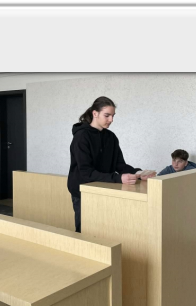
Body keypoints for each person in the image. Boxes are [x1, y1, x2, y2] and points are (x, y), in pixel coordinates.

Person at [67, 96, 156, 233]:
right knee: (85, 232)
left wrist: (138, 173)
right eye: (107, 115)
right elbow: (86, 172)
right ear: (95, 113)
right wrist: (118, 178)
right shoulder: (81, 137)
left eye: (113, 116)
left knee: (104, 231)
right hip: (82, 191)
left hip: (105, 189)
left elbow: (119, 165)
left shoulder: (111, 137)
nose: (111, 120)